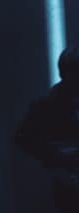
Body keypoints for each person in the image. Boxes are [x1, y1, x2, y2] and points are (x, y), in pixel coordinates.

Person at [15, 46, 79, 212]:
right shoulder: (48, 105)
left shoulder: (48, 104)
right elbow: (24, 138)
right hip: (66, 181)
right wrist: (56, 156)